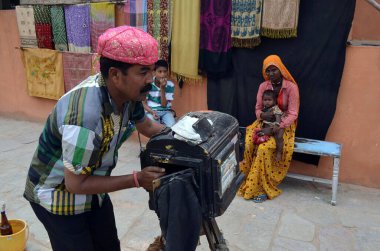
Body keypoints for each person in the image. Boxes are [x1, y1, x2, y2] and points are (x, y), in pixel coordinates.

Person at [23, 26, 167, 251]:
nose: (151, 79)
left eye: (152, 70)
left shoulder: (130, 95)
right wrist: (137, 179)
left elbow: (146, 125)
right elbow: (75, 184)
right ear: (115, 75)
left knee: (109, 245)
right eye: (142, 72)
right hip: (56, 195)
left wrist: (184, 136)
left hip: (92, 186)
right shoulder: (85, 117)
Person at [238, 54, 299, 203]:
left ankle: (263, 188)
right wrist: (262, 117)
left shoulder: (291, 87)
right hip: (264, 122)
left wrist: (277, 126)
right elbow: (258, 109)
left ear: (281, 70)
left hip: (284, 125)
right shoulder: (263, 86)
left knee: (265, 148)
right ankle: (248, 179)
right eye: (268, 71)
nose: (271, 74)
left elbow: (293, 113)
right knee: (248, 141)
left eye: (274, 70)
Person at [143, 59, 176, 127]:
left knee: (172, 128)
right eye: (160, 72)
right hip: (151, 111)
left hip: (166, 111)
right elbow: (143, 103)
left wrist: (162, 88)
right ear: (154, 72)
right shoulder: (149, 84)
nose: (162, 74)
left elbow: (164, 105)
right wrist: (152, 112)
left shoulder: (170, 85)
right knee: (155, 127)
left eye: (165, 71)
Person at [253, 89, 284, 161]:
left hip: (276, 126)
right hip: (268, 127)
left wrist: (277, 125)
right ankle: (256, 150)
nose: (267, 102)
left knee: (279, 138)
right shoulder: (264, 108)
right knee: (257, 134)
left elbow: (278, 117)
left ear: (274, 101)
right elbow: (259, 113)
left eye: (269, 100)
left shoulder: (275, 108)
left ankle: (279, 153)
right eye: (265, 100)